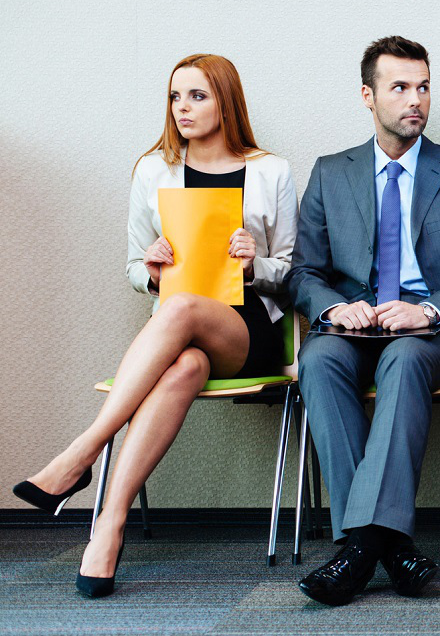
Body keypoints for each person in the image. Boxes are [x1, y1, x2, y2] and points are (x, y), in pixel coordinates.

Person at [12, 54, 298, 598]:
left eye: (197, 96)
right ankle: (109, 527)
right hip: (177, 338)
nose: (182, 109)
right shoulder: (153, 168)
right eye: (175, 97)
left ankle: (83, 450)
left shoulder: (271, 170)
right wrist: (150, 268)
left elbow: (291, 272)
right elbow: (132, 270)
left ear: (226, 101)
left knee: (184, 308)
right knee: (184, 365)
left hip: (246, 330)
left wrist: (255, 263)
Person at [289, 36, 440, 606]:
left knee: (405, 356)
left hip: (433, 334)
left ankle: (357, 548)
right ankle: (389, 547)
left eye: (424, 87)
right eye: (401, 87)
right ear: (368, 95)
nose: (417, 99)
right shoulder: (330, 172)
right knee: (317, 359)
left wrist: (428, 309)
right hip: (353, 326)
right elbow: (302, 273)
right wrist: (334, 307)